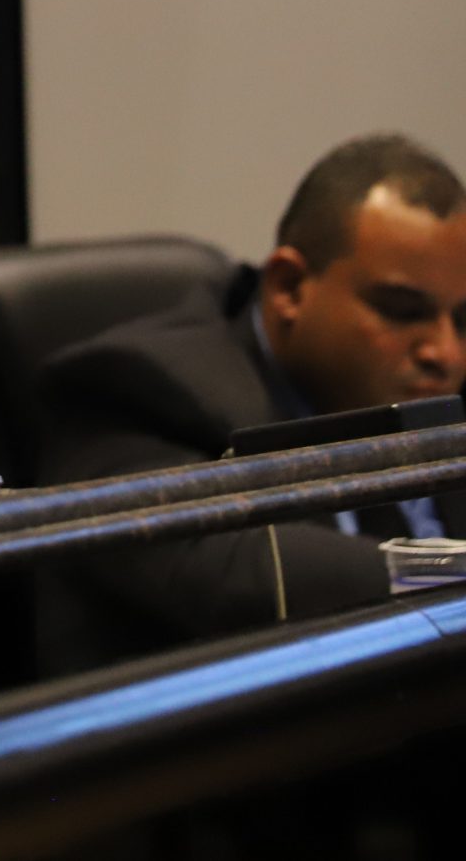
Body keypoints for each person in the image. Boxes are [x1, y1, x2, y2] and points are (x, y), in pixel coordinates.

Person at [37, 133, 466, 661]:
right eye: (402, 310)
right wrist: (449, 574)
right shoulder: (136, 389)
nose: (445, 352)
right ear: (289, 288)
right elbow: (246, 576)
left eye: (463, 320)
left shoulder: (431, 389)